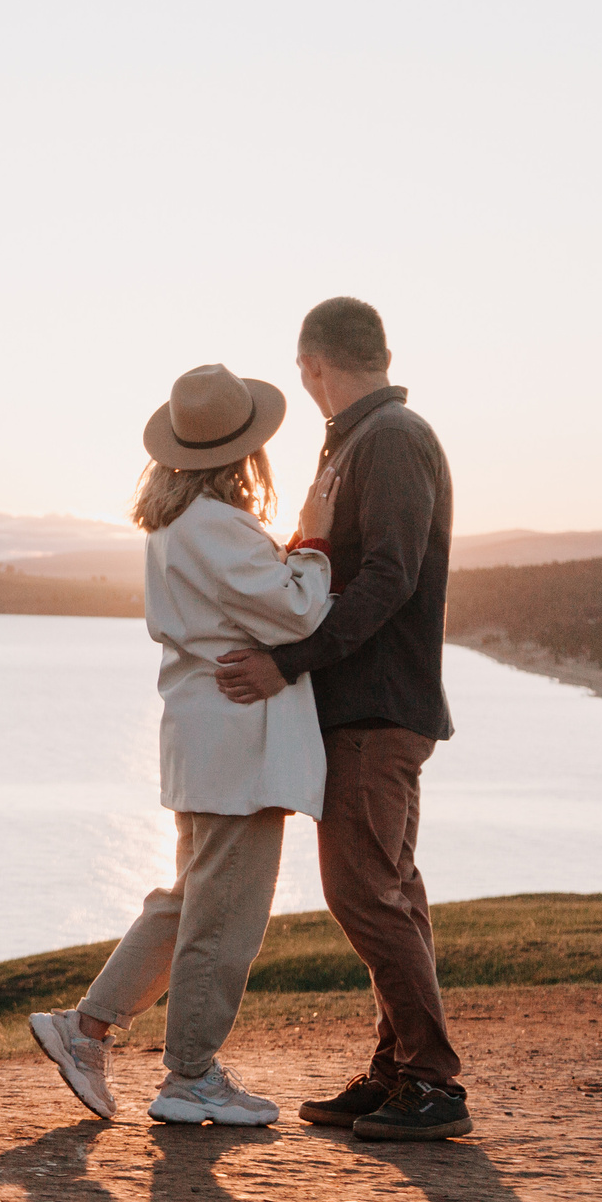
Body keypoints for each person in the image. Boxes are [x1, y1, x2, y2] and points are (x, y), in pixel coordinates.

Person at [29, 362, 335, 1126]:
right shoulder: (217, 526)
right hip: (237, 745)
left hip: (205, 738)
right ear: (245, 454)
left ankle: (86, 1027)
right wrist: (315, 543)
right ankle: (190, 1073)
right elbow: (296, 611)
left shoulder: (175, 525)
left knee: (190, 900)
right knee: (225, 917)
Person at [211, 297, 470, 1142]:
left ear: (313, 364)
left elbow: (390, 576)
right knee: (390, 887)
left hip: (376, 706)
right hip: (370, 704)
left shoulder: (390, 440)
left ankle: (432, 1082)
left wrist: (289, 661)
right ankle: (398, 1071)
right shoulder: (365, 438)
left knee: (362, 890)